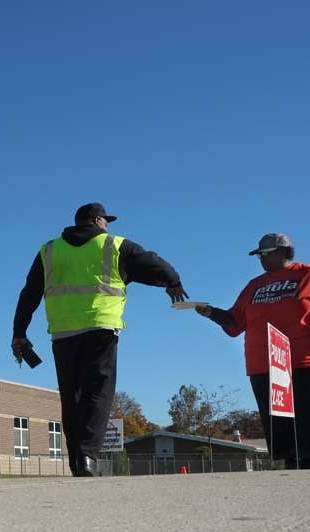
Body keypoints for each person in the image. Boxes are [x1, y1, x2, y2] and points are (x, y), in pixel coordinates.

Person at [12, 203, 187, 476]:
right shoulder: (114, 245)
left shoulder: (49, 250)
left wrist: (19, 332)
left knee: (71, 397)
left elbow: (29, 294)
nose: (107, 226)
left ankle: (76, 462)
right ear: (97, 220)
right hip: (100, 329)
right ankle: (88, 457)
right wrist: (173, 281)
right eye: (106, 221)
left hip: (63, 333)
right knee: (98, 392)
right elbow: (154, 263)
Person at [195, 233, 310, 469]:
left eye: (266, 254)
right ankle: (288, 477)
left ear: (284, 252)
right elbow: (235, 322)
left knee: (307, 424)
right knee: (278, 429)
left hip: (305, 362)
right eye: (259, 255)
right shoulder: (255, 286)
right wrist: (211, 313)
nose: (261, 259)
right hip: (264, 365)